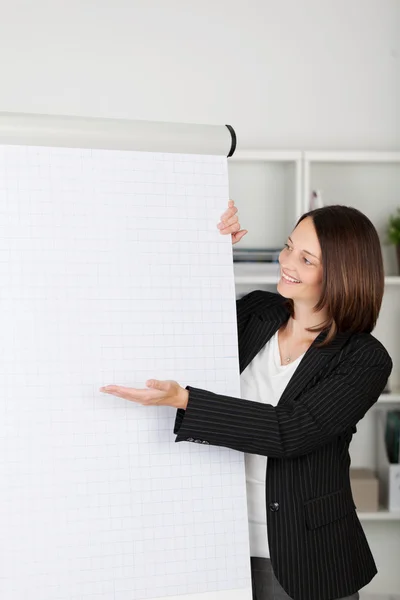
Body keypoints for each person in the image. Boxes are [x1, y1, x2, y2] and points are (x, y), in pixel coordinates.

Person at [100, 200, 392, 600]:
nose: (286, 261)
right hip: (217, 546)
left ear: (343, 273)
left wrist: (186, 401)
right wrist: (209, 249)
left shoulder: (364, 358)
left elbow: (288, 430)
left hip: (306, 558)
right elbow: (187, 316)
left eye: (306, 259)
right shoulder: (257, 310)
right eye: (289, 246)